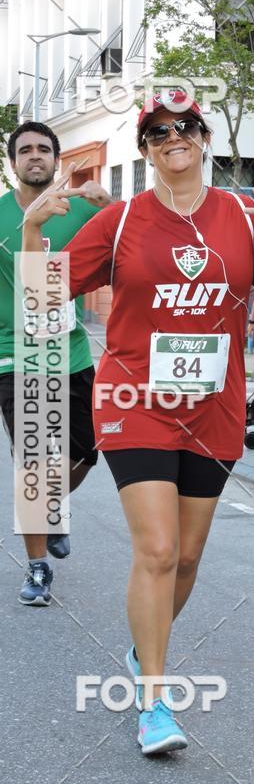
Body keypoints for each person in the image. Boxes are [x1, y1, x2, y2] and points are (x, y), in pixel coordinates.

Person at [22, 90, 254, 755]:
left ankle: (143, 651)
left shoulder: (245, 219)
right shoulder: (125, 218)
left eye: (184, 126)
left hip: (214, 407)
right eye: (157, 131)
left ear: (202, 136)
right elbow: (41, 299)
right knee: (156, 550)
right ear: (146, 147)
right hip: (134, 401)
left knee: (187, 557)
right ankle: (154, 703)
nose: (172, 137)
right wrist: (29, 233)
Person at [0, 121, 112, 606]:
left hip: (73, 352)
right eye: (24, 150)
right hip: (15, 355)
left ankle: (52, 508)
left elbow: (121, 251)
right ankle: (38, 567)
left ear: (57, 160)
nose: (34, 156)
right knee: (35, 465)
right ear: (12, 163)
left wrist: (109, 208)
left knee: (87, 452)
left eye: (43, 149)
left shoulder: (83, 211)